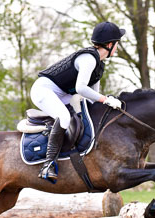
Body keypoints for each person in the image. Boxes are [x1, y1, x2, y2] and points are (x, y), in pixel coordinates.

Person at [30, 21, 126, 181]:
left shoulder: (98, 65)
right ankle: (47, 165)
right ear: (110, 44)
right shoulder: (89, 59)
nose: (117, 47)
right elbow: (81, 88)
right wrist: (105, 100)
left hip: (61, 93)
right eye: (117, 44)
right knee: (65, 118)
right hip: (43, 90)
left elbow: (92, 97)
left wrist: (109, 103)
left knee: (78, 119)